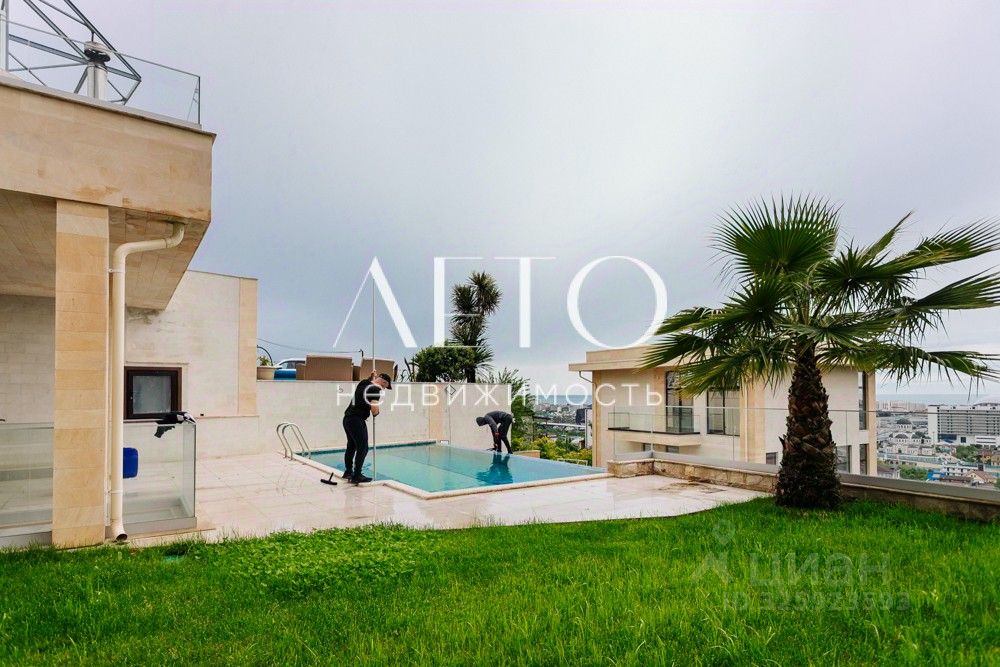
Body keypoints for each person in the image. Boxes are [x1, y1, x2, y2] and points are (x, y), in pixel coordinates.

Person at [342, 372, 392, 484]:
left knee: (351, 446)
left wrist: (373, 376)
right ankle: (357, 475)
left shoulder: (363, 383)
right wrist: (377, 412)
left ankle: (348, 472)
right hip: (357, 420)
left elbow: (371, 380)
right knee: (363, 447)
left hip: (347, 419)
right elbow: (374, 410)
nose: (383, 389)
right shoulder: (375, 389)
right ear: (383, 382)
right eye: (384, 386)